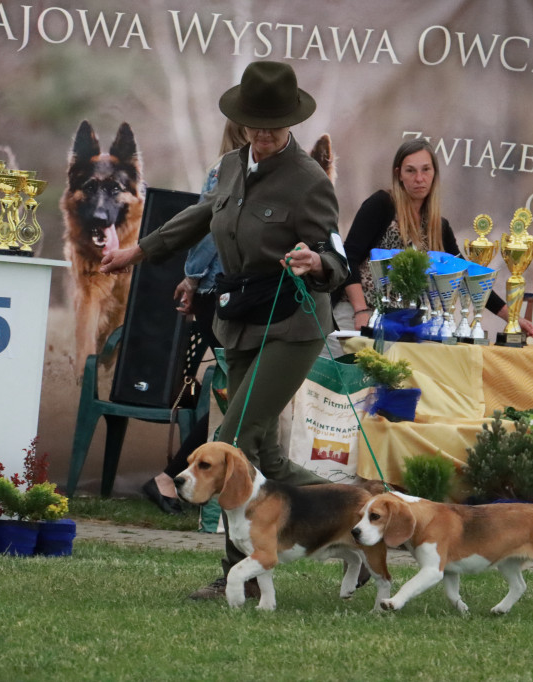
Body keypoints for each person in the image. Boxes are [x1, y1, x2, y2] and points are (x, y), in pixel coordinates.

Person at [101, 60, 349, 597]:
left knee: (233, 443)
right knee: (270, 458)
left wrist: (315, 262)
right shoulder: (232, 166)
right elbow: (199, 217)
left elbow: (338, 258)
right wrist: (136, 253)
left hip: (293, 325)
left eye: (274, 125)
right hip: (240, 321)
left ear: (291, 124)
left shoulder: (308, 181)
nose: (262, 134)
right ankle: (370, 511)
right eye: (255, 123)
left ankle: (239, 577)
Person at [141, 120, 247, 515]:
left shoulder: (250, 170)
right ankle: (172, 477)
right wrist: (191, 275)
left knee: (243, 395)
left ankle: (175, 478)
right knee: (241, 396)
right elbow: (207, 228)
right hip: (219, 292)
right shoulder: (227, 169)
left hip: (228, 292)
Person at [334, 137, 533, 338]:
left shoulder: (439, 226)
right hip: (359, 315)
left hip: (407, 323)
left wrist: (511, 318)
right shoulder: (381, 205)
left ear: (434, 174)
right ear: (399, 175)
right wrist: (360, 311)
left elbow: (467, 275)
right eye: (410, 170)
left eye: (425, 170)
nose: (419, 178)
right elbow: (348, 257)